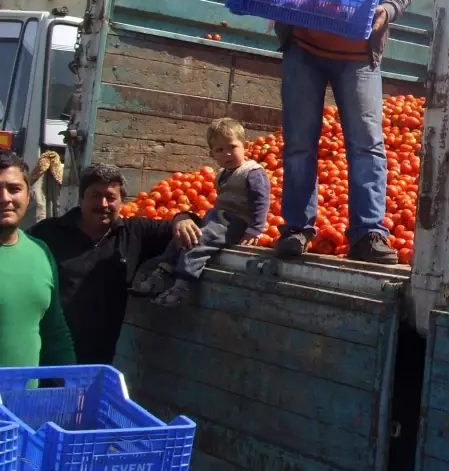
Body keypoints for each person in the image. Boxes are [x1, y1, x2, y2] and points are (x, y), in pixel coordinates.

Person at [229, 0, 415, 264]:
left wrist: (386, 9)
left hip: (358, 56)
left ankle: (369, 233)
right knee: (299, 143)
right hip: (305, 49)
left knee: (367, 145)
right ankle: (297, 227)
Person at [30, 163, 194, 365]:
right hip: (47, 355)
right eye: (95, 195)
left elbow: (178, 228)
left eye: (111, 197)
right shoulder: (47, 233)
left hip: (100, 361)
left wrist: (183, 217)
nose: (103, 203)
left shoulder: (134, 232)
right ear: (81, 199)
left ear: (122, 202)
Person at [131, 117, 269, 307]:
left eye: (232, 147)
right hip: (218, 217)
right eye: (220, 150)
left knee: (199, 241)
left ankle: (182, 286)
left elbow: (262, 200)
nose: (227, 153)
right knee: (185, 235)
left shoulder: (253, 172)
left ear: (244, 145)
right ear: (212, 154)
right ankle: (162, 273)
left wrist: (255, 228)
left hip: (236, 222)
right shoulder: (222, 174)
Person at [0, 150, 75, 367]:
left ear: (28, 196)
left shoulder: (40, 251)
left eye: (14, 189)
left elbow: (55, 332)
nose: (5, 198)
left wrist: (72, 384)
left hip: (26, 401)